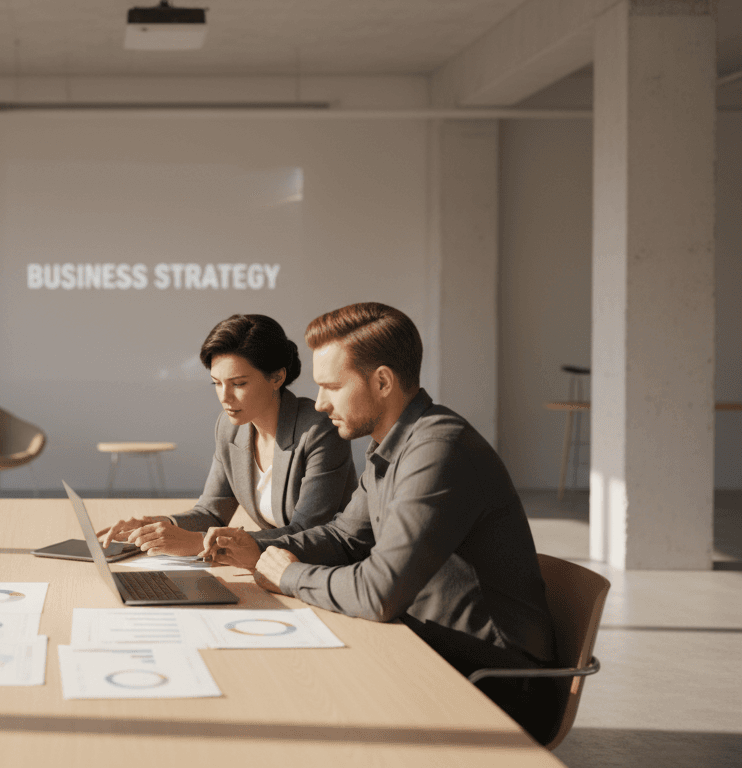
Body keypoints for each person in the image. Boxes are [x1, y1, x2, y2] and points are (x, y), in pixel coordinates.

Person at [201, 302, 559, 740]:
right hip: (427, 648)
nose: (319, 402)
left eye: (332, 386)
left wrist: (290, 575)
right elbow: (346, 537)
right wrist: (257, 550)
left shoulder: (438, 450)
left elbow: (378, 592)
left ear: (383, 381)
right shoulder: (392, 446)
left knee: (295, 698)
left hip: (493, 681)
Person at [99, 314, 356, 556]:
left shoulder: (319, 430)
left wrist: (202, 543)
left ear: (277, 377)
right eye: (217, 383)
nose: (225, 397)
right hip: (271, 564)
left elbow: (306, 533)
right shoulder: (230, 426)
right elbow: (212, 511)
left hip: (325, 564)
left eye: (239, 384)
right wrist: (158, 525)